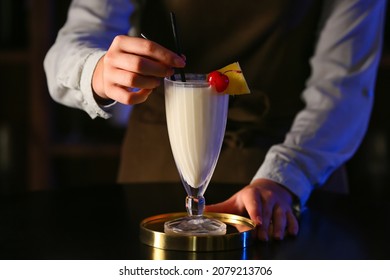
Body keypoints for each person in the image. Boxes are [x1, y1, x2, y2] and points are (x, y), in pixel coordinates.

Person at [44, 0, 386, 241]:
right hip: (157, 171)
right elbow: (68, 48)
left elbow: (343, 88)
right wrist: (97, 69)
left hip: (293, 183)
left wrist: (286, 177)